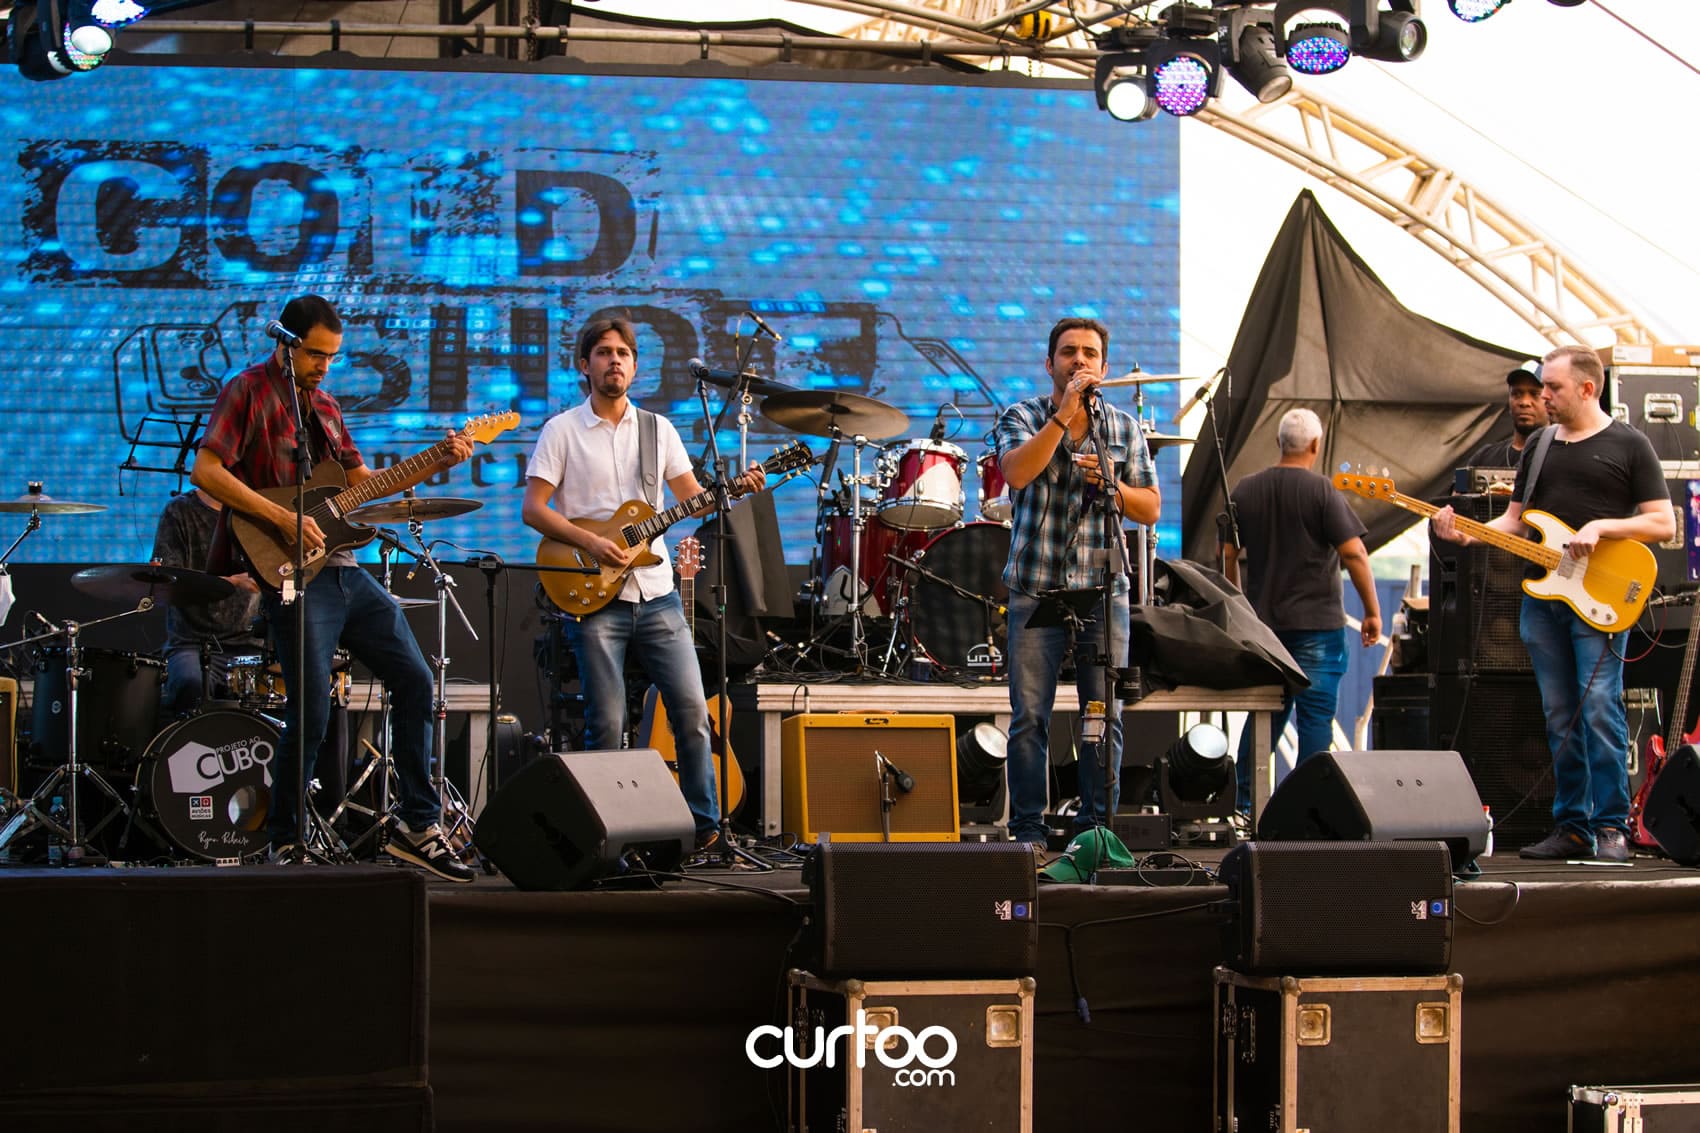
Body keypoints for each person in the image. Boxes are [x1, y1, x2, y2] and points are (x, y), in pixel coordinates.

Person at [191, 294, 475, 881]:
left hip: (344, 568)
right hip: (294, 572)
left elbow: (364, 484)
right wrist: (282, 518)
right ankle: (286, 838)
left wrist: (437, 461)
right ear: (285, 344)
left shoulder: (324, 406)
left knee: (415, 680)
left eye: (332, 357)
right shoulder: (247, 390)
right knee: (312, 710)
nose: (324, 366)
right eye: (315, 355)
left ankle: (417, 826)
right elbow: (207, 470)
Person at [521, 316, 764, 857]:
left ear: (634, 366)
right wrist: (591, 541)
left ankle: (704, 827)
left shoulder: (659, 430)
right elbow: (533, 509)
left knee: (693, 714)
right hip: (594, 594)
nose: (615, 360)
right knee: (605, 724)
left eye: (624, 353)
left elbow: (693, 499)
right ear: (584, 365)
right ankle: (607, 834)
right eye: (604, 352)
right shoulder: (561, 430)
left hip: (657, 594)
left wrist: (737, 490)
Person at [1434, 345, 1673, 862]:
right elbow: (1516, 521)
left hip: (1601, 597)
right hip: (1545, 597)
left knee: (1599, 709)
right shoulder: (1540, 445)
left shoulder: (1629, 443)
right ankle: (1572, 827)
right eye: (1543, 386)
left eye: (1553, 387)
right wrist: (1468, 534)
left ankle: (1611, 827)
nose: (1543, 395)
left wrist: (1603, 526)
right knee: (1558, 715)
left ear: (1588, 389)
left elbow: (1663, 522)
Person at [994, 317, 1160, 847]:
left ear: (1104, 368)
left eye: (1089, 353)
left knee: (1103, 715)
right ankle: (1028, 831)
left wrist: (1114, 486)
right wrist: (1063, 416)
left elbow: (1150, 507)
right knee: (1029, 717)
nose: (1079, 361)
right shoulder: (1022, 416)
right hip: (1034, 587)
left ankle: (1095, 830)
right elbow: (1017, 473)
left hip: (1102, 591)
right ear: (1050, 363)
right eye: (1069, 352)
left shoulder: (1124, 429)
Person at [1221, 407, 1381, 814]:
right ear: (1315, 445)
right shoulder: (1322, 491)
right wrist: (1372, 611)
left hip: (1265, 630)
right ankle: (1308, 809)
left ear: (1279, 442)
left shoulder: (1245, 490)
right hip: (1318, 628)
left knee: (1265, 718)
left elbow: (1228, 555)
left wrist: (1239, 609)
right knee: (1315, 721)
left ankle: (1243, 803)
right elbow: (1354, 553)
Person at [150, 487, 265, 715]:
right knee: (190, 684)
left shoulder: (262, 509)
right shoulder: (179, 511)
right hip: (192, 643)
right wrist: (233, 582)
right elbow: (170, 584)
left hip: (253, 644)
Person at [1466, 362, 1548, 469]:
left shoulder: (1562, 455)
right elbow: (1460, 479)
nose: (1524, 402)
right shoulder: (1484, 456)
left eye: (1535, 394)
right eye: (1516, 394)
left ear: (1550, 400)